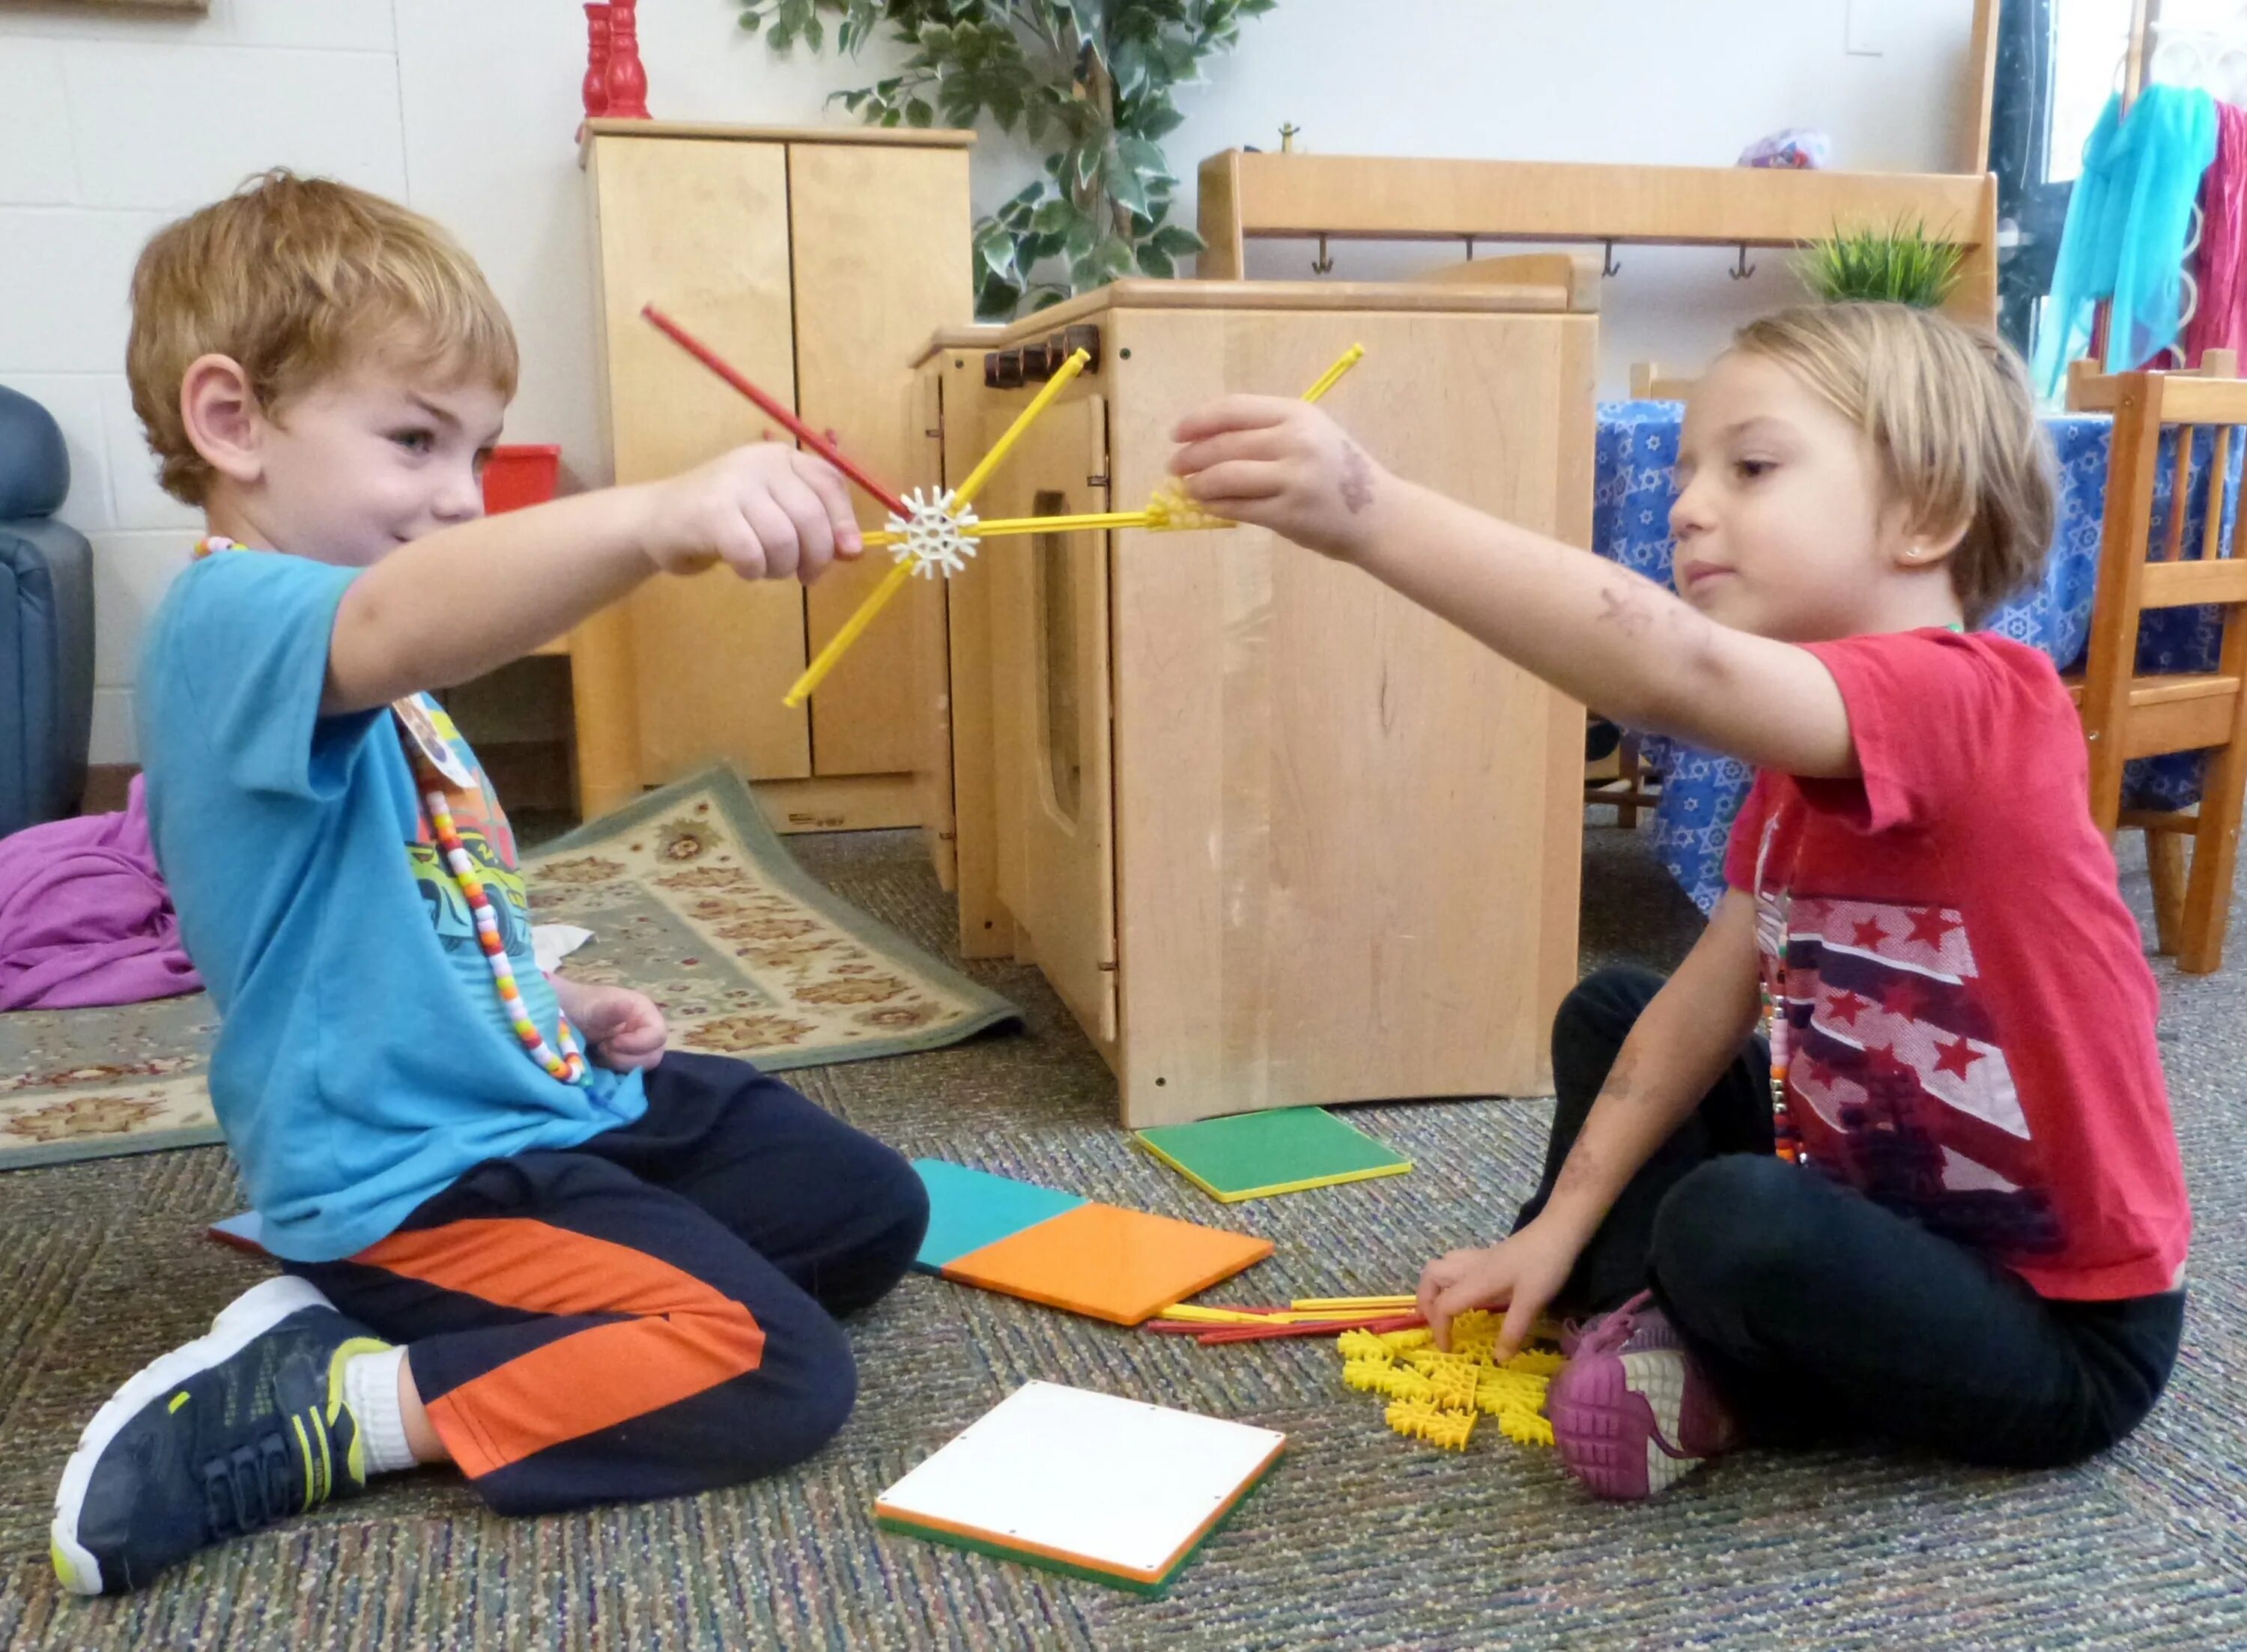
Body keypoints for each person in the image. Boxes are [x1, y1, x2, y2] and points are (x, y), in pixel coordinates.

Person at [51, 171, 927, 1594]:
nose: (459, 498)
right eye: (414, 441)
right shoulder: (232, 615)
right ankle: (341, 1396)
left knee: (867, 1209)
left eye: (480, 452)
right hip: (411, 1174)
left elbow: (413, 909)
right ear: (233, 423)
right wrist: (653, 517)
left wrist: (550, 997)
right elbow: (415, 624)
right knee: (766, 1364)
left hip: (532, 1103)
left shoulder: (367, 665)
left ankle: (570, 1292)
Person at [1170, 301, 2190, 1500]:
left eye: (1751, 467)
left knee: (1731, 1216)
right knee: (1613, 1012)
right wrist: (1545, 1228)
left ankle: (1713, 1358)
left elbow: (1677, 666)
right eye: (1694, 470)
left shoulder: (1981, 702)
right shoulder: (1797, 780)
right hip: (1873, 1216)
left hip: (2058, 1329)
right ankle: (1610, 1286)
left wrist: (1370, 511)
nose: (1689, 503)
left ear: (1928, 515)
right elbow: (1691, 1019)